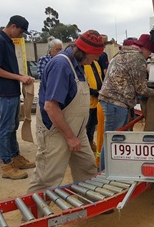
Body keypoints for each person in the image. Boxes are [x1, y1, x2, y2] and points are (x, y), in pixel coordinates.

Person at [27, 30, 103, 194]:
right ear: (86, 52)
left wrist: (76, 134)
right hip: (56, 130)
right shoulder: (61, 65)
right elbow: (51, 107)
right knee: (47, 177)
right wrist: (70, 137)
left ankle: (89, 201)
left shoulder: (79, 65)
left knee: (87, 168)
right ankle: (34, 215)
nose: (96, 59)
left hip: (77, 129)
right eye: (95, 55)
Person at [98, 34, 154, 171]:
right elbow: (141, 89)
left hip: (110, 99)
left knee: (115, 137)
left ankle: (111, 168)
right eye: (150, 51)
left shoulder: (123, 53)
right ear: (144, 48)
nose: (149, 54)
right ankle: (105, 171)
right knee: (112, 139)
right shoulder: (138, 59)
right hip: (117, 101)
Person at [0, 15, 36, 180]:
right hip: (6, 92)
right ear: (13, 26)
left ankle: (16, 157)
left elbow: (6, 67)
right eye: (21, 31)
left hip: (12, 91)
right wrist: (18, 78)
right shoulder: (0, 41)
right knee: (6, 128)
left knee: (13, 125)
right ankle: (7, 165)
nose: (21, 35)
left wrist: (21, 76)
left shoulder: (8, 41)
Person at [84, 58, 102, 151]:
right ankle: (87, 144)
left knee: (93, 123)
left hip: (97, 101)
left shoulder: (96, 63)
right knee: (88, 124)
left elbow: (99, 79)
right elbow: (84, 83)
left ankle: (90, 142)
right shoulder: (84, 65)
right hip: (89, 101)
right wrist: (93, 92)